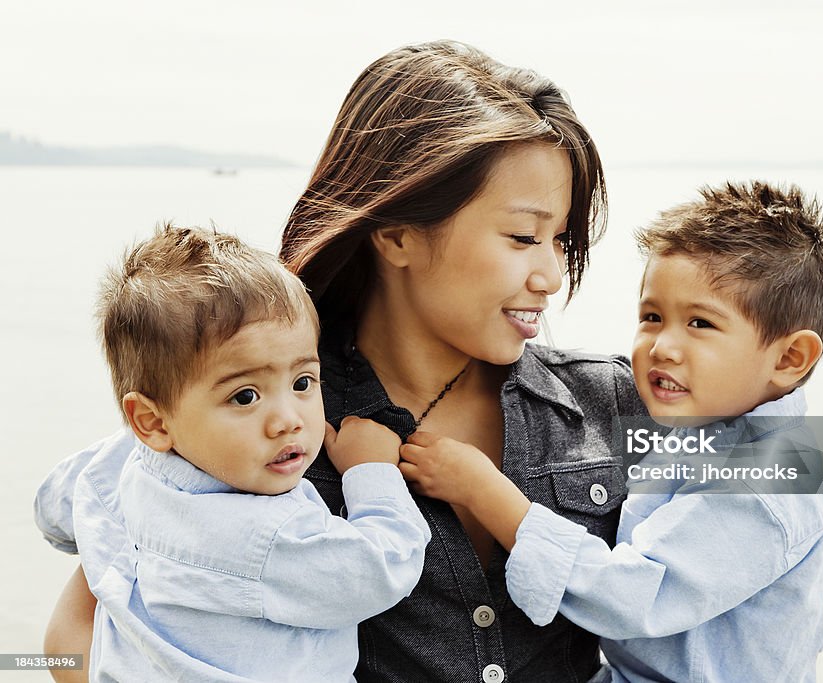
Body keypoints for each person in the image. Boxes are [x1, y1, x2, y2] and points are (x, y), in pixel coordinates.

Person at [42, 41, 644, 682]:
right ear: (396, 233)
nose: (552, 274)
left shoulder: (613, 397)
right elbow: (71, 640)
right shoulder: (261, 419)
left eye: (561, 239)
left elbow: (755, 531)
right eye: (524, 237)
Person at [399, 181, 823, 682]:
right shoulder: (705, 435)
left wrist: (487, 493)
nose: (663, 347)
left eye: (700, 324)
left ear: (789, 358)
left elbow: (634, 596)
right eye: (652, 316)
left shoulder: (764, 487)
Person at [34, 226, 430, 681]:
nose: (287, 419)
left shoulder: (124, 460)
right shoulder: (271, 535)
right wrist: (371, 471)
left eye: (303, 383)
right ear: (154, 422)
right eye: (245, 397)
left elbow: (57, 506)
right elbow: (382, 568)